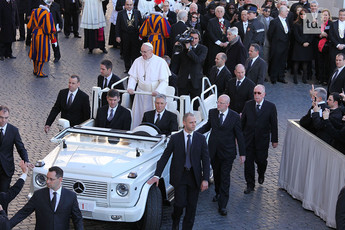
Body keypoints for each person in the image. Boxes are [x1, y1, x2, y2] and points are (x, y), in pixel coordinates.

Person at [147, 113, 210, 230]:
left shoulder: (200, 139)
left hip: (194, 177)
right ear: (184, 123)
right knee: (179, 204)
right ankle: (175, 221)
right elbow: (165, 156)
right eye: (191, 122)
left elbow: (206, 160)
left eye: (195, 122)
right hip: (180, 177)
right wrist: (157, 175)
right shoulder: (175, 138)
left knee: (191, 207)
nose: (194, 125)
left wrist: (205, 179)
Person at [197, 95, 245, 216]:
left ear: (227, 104)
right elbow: (208, 126)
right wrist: (194, 133)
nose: (218, 105)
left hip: (228, 153)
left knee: (225, 177)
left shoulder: (234, 116)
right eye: (218, 102)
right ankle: (218, 192)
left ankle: (223, 205)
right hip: (214, 151)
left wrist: (242, 153)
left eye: (221, 103)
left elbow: (239, 135)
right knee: (217, 174)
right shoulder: (212, 113)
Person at [10, 166, 84, 230]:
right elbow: (24, 212)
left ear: (60, 179)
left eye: (51, 179)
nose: (47, 181)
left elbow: (77, 218)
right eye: (47, 178)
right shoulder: (38, 195)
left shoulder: (70, 196)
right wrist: (6, 226)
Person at [241, 84, 278, 194]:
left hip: (262, 140)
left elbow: (274, 124)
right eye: (255, 93)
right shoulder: (248, 105)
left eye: (259, 93)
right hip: (249, 140)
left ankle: (261, 173)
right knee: (248, 163)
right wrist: (239, 137)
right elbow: (242, 122)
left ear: (264, 94)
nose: (256, 95)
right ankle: (250, 185)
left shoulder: (271, 107)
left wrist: (274, 140)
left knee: (261, 161)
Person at [127, 42, 170, 128]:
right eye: (141, 52)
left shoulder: (160, 62)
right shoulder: (137, 61)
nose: (142, 54)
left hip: (153, 94)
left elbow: (164, 81)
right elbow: (133, 77)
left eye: (145, 52)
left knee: (152, 115)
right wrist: (130, 87)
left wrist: (158, 91)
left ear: (151, 51)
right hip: (140, 93)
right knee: (138, 114)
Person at [170, 29, 208, 109]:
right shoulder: (183, 47)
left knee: (196, 105)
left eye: (196, 38)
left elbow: (198, 60)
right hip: (183, 80)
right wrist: (177, 47)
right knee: (182, 105)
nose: (193, 40)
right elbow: (175, 61)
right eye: (191, 38)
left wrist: (189, 50)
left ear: (199, 39)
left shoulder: (203, 48)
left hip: (196, 81)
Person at [0, 106, 30, 193]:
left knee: (3, 196)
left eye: (6, 118)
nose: (3, 120)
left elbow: (20, 148)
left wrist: (26, 160)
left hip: (6, 170)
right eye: (1, 117)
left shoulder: (13, 131)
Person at [27, 0, 57, 78]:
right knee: (42, 53)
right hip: (42, 36)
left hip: (34, 34)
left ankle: (35, 70)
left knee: (35, 52)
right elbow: (49, 29)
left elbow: (29, 25)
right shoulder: (47, 14)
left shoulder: (34, 11)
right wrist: (53, 38)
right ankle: (39, 72)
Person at [115, 0, 142, 73]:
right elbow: (117, 26)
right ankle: (127, 68)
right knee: (126, 52)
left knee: (135, 52)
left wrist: (141, 35)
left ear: (133, 5)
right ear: (125, 5)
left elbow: (141, 23)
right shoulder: (121, 13)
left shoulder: (137, 12)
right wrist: (118, 36)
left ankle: (134, 68)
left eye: (130, 5)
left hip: (135, 35)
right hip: (125, 35)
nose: (129, 6)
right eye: (128, 5)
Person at [267, 5, 290, 84]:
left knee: (283, 62)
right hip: (276, 45)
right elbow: (270, 34)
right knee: (275, 61)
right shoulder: (274, 21)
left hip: (285, 45)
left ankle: (281, 77)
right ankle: (273, 78)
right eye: (286, 11)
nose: (287, 12)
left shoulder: (286, 20)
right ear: (282, 12)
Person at [205, 6, 230, 74]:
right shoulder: (211, 21)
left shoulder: (227, 22)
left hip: (224, 47)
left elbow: (229, 33)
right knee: (213, 63)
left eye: (221, 11)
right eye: (218, 11)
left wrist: (227, 42)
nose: (219, 13)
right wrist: (219, 43)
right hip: (214, 46)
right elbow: (210, 33)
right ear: (215, 13)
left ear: (224, 13)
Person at [291, 9, 314, 84]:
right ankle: (295, 78)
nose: (302, 15)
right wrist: (302, 42)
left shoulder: (311, 23)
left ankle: (304, 78)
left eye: (304, 14)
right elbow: (296, 35)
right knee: (296, 63)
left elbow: (312, 35)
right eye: (301, 14)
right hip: (298, 45)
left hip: (308, 45)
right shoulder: (296, 24)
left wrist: (308, 42)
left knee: (305, 63)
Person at [317, 9, 333, 85]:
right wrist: (320, 35)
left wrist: (327, 35)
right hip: (319, 46)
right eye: (323, 15)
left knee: (326, 64)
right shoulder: (318, 23)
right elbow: (314, 34)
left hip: (327, 46)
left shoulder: (331, 24)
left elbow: (333, 35)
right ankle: (320, 78)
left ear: (329, 16)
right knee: (320, 63)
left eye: (326, 15)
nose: (325, 16)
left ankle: (325, 79)